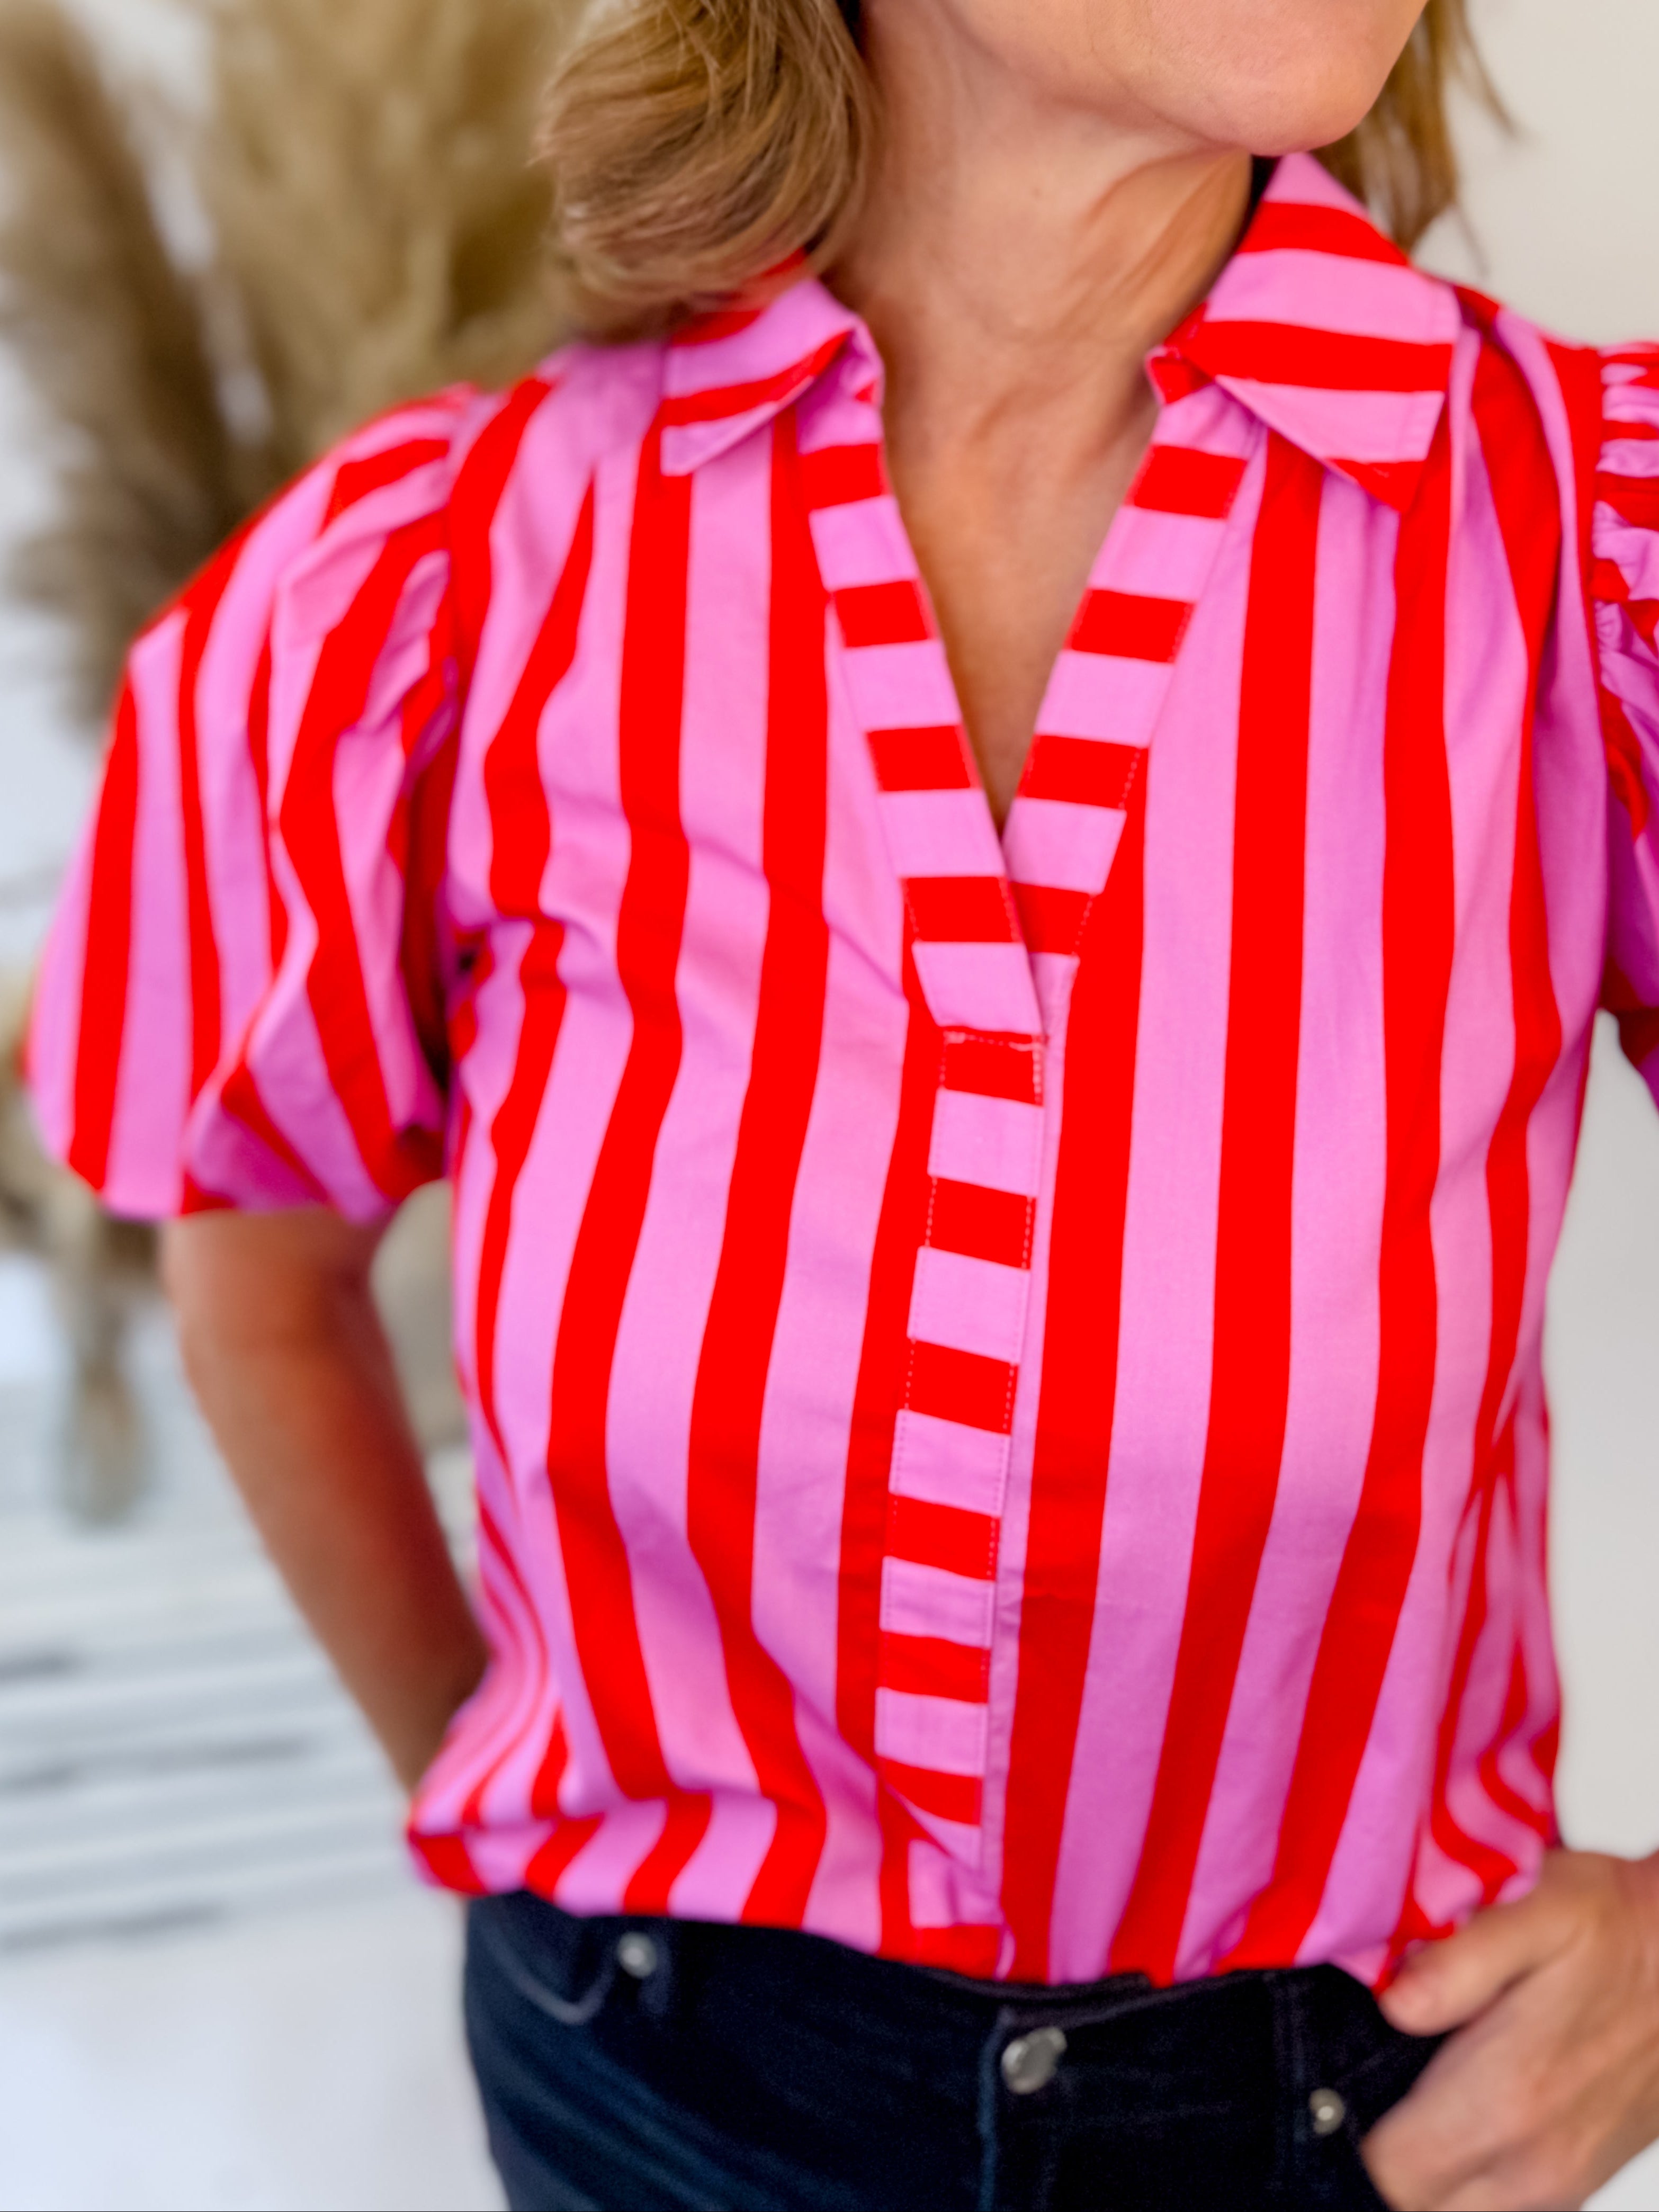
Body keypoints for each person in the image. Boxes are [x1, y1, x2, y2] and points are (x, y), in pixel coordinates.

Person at [26, 0, 1659, 2202]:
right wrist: (523, 1830)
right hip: (642, 2092)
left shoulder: (1571, 542)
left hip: (1338, 2127)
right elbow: (255, 1262)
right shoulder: (445, 577)